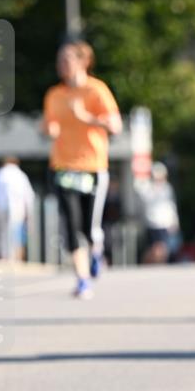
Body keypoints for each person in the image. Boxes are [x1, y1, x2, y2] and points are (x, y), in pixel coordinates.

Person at [42, 41, 122, 297]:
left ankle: (96, 253)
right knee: (71, 226)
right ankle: (82, 279)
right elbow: (48, 125)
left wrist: (87, 118)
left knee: (90, 228)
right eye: (59, 60)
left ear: (82, 61)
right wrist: (47, 130)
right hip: (63, 167)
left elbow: (116, 126)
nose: (61, 65)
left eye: (67, 60)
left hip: (93, 167)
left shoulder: (96, 90)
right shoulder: (54, 95)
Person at [0, 156, 35, 262]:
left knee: (2, 235)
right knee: (16, 235)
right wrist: (29, 214)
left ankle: (4, 257)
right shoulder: (21, 175)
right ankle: (16, 258)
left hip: (0, 210)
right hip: (18, 210)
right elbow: (29, 196)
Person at [136, 161, 181, 264]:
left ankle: (159, 265)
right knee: (155, 248)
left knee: (162, 247)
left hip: (164, 223)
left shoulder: (167, 188)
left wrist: (174, 221)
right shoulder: (147, 188)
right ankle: (149, 263)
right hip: (152, 223)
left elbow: (171, 206)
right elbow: (143, 203)